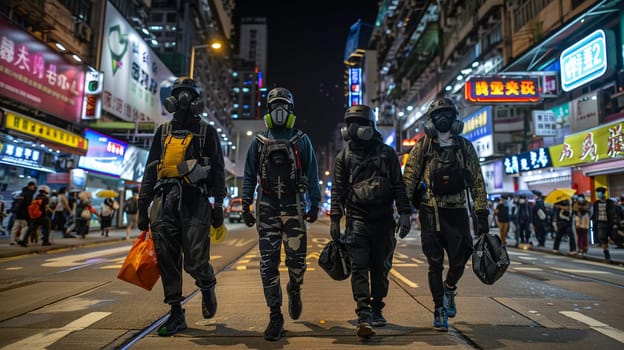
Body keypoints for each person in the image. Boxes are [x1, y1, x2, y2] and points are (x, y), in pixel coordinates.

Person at [137, 77, 226, 337]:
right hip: (164, 201)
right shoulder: (162, 132)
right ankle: (176, 313)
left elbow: (218, 170)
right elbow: (150, 171)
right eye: (179, 94)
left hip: (194, 202)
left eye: (189, 94)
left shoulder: (207, 132)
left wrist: (218, 204)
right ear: (172, 100)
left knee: (196, 262)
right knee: (167, 261)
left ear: (196, 100)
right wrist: (143, 207)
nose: (184, 99)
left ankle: (207, 285)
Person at [241, 87, 321, 341]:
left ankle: (295, 287)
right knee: (268, 264)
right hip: (266, 208)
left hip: (294, 207)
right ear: (268, 110)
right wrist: (245, 203)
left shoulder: (301, 140)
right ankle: (275, 315)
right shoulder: (258, 141)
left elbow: (312, 172)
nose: (279, 110)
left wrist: (315, 202)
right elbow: (249, 174)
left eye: (284, 105)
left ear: (291, 110)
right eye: (275, 105)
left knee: (297, 263)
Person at [403, 97, 488, 332]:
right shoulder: (423, 146)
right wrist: (404, 211)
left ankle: (450, 287)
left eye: (447, 114)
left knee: (460, 261)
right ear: (430, 120)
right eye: (438, 115)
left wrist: (482, 213)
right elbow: (409, 178)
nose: (443, 118)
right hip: (431, 213)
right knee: (434, 263)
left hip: (459, 212)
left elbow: (478, 181)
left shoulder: (464, 146)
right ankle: (439, 308)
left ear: (455, 119)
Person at [329, 104, 411, 338]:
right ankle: (363, 314)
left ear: (370, 126)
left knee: (381, 269)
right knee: (359, 268)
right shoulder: (343, 157)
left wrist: (404, 213)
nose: (352, 129)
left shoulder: (386, 154)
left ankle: (377, 308)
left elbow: (398, 185)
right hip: (357, 221)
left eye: (358, 124)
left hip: (384, 220)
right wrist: (335, 219)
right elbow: (337, 190)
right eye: (349, 124)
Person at [591, 187, 618, 262]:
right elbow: (595, 213)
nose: (598, 194)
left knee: (613, 238)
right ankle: (607, 255)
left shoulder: (610, 202)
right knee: (603, 239)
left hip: (609, 223)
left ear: (603, 193)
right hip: (600, 223)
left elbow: (613, 213)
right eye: (597, 192)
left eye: (599, 192)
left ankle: (610, 241)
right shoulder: (596, 203)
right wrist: (594, 223)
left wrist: (615, 223)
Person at [10, 181, 36, 245]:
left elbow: (18, 203)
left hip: (18, 212)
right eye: (33, 186)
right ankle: (21, 239)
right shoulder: (29, 193)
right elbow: (27, 204)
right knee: (25, 227)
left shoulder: (22, 193)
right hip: (24, 213)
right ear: (31, 186)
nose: (34, 188)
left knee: (15, 227)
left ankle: (12, 241)